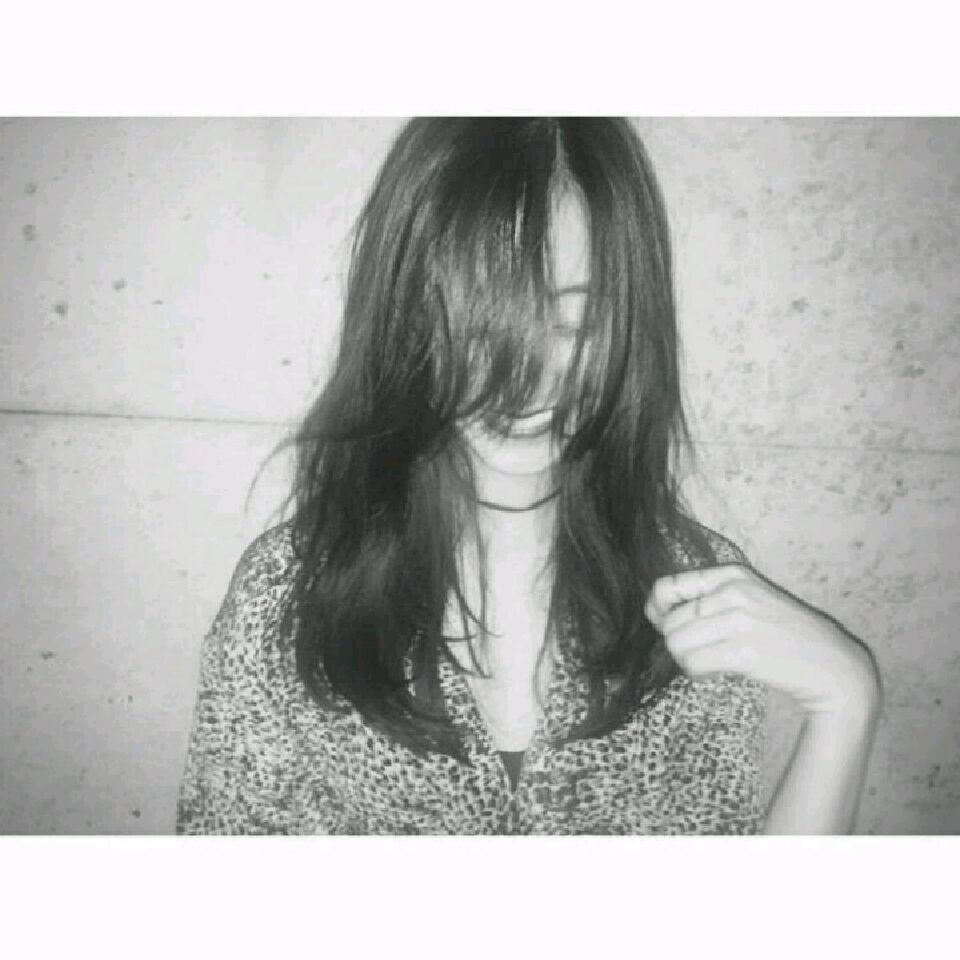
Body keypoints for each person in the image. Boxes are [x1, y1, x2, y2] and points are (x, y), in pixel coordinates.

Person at [175, 118, 881, 835]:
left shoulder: (701, 598)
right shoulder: (291, 595)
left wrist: (845, 700)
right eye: (480, 325)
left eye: (575, 324)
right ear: (406, 322)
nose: (528, 382)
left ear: (630, 327)